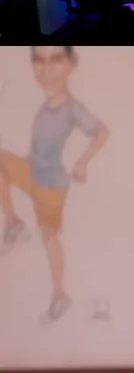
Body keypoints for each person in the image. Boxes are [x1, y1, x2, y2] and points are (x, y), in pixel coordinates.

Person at [0, 46, 109, 323]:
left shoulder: (72, 109)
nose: (46, 70)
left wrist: (82, 163)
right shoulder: (46, 105)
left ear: (71, 64)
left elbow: (101, 132)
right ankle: (13, 224)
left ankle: (59, 296)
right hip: (32, 171)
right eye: (39, 61)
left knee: (49, 237)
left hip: (50, 186)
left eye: (55, 61)